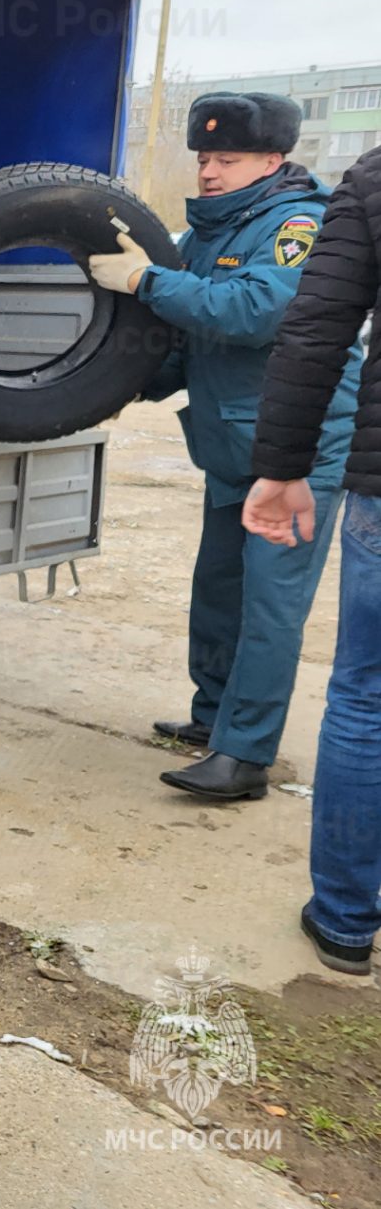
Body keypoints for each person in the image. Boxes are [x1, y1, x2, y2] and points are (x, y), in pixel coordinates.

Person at [89, 91, 359, 799]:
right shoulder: (204, 234)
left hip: (300, 447)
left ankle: (245, 756)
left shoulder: (300, 225)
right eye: (204, 158)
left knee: (270, 605)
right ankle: (213, 718)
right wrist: (111, 385)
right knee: (217, 594)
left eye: (227, 159)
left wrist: (149, 279)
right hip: (231, 444)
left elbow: (253, 312)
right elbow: (187, 345)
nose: (208, 171)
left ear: (274, 158)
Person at [242, 143, 381, 977]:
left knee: (366, 694)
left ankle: (344, 921)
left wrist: (282, 465)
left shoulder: (371, 176)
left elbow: (316, 328)